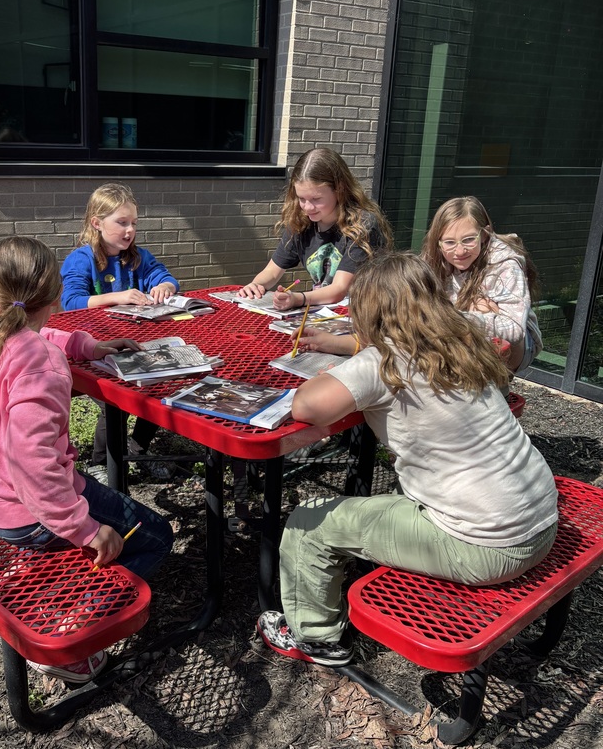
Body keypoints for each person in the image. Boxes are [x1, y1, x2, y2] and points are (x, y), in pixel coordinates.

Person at [256, 252, 558, 667]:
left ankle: (315, 638)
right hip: (538, 518)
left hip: (485, 546)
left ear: (368, 310)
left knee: (308, 522)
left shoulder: (383, 361)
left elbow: (308, 406)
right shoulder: (462, 338)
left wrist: (339, 366)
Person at [0, 236, 174, 684]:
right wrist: (85, 530)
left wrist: (88, 345)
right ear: (53, 298)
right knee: (157, 535)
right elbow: (34, 466)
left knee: (98, 499)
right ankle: (69, 636)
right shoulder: (41, 364)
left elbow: (31, 331)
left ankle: (59, 584)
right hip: (22, 510)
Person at [60, 183, 180, 477]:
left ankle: (136, 451)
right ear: (97, 223)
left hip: (138, 344)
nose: (129, 231)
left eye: (134, 223)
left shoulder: (139, 256)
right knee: (114, 399)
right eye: (121, 222)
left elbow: (163, 276)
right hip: (95, 349)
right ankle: (101, 463)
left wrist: (165, 285)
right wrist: (118, 296)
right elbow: (71, 302)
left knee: (162, 383)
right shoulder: (81, 259)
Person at [237, 148, 392, 310]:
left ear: (340, 191)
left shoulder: (362, 225)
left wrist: (298, 298)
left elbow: (339, 289)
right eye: (301, 198)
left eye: (316, 199)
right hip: (323, 313)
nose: (308, 207)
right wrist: (256, 285)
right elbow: (272, 271)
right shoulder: (301, 222)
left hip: (362, 316)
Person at [421, 196, 542, 373]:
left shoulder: (505, 265)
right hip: (463, 334)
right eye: (449, 242)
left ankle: (490, 385)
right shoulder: (433, 258)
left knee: (475, 308)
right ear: (437, 242)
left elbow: (515, 329)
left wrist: (453, 317)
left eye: (469, 239)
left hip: (516, 347)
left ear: (484, 235)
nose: (460, 251)